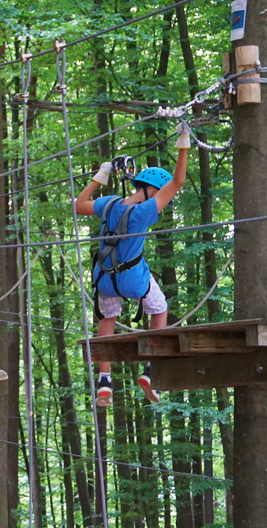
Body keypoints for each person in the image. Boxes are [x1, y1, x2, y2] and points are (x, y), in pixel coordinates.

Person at [73, 122, 191, 407]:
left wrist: (100, 176)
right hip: (133, 279)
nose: (164, 202)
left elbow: (79, 205)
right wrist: (183, 143)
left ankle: (104, 382)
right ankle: (150, 371)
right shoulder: (145, 211)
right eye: (162, 195)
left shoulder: (109, 204)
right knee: (159, 308)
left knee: (107, 319)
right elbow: (178, 182)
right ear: (152, 190)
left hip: (105, 278)